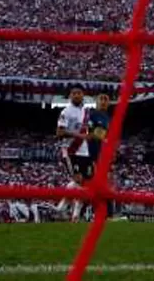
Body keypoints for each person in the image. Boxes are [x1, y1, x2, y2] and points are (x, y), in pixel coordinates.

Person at [56, 84, 92, 222]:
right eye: (74, 93)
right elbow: (59, 132)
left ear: (83, 95)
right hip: (70, 150)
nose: (77, 95)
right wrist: (79, 135)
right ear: (70, 96)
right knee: (77, 179)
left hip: (85, 151)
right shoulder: (66, 112)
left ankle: (68, 210)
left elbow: (88, 130)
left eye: (79, 93)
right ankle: (69, 210)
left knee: (82, 183)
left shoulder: (86, 111)